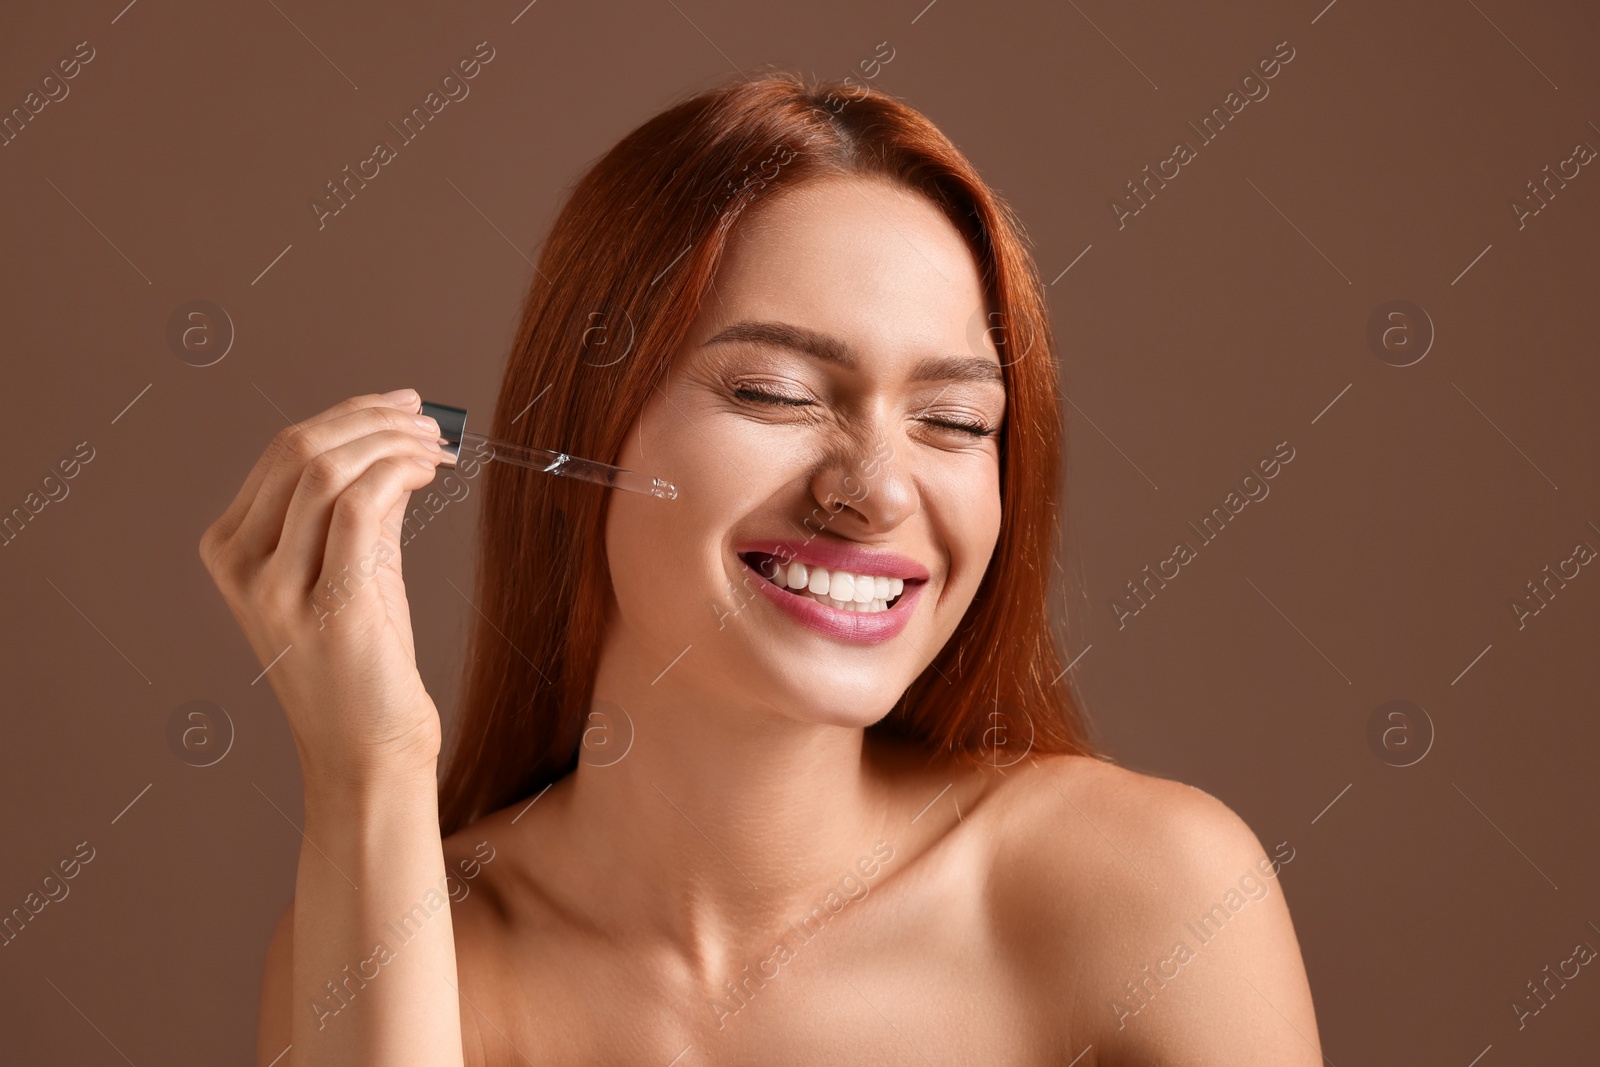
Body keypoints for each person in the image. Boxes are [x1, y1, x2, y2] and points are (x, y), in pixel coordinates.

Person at [201, 71, 1321, 1065]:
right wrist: (372, 771)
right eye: (773, 394)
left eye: (954, 419)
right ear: (581, 429)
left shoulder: (1153, 895)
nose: (875, 490)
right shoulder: (400, 931)